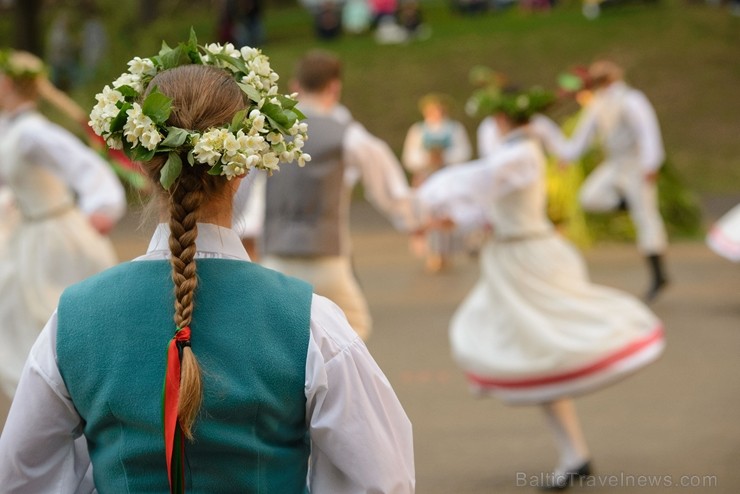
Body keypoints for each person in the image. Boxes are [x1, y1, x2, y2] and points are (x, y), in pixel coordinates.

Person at [0, 35, 415, 493]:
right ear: (242, 167)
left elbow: (21, 476)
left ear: (142, 161)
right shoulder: (312, 324)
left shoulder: (73, 321)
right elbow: (381, 480)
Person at [416, 86, 665, 490]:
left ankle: (576, 449)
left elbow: (479, 179)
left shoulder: (519, 155)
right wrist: (449, 219)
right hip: (512, 259)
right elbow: (487, 204)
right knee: (525, 345)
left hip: (529, 260)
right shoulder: (515, 154)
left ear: (501, 120)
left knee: (545, 341)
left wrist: (426, 197)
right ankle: (575, 454)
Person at [260, 49, 421, 341]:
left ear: (295, 86)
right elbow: (385, 181)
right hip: (325, 257)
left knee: (283, 339)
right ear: (334, 87)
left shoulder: (269, 132)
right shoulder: (345, 133)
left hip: (275, 259)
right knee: (354, 332)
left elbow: (248, 191)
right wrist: (413, 220)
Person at [0, 49, 126, 400]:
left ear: (8, 83)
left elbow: (86, 166)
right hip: (26, 231)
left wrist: (101, 205)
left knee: (50, 313)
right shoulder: (10, 129)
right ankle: (40, 397)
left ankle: (66, 394)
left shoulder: (32, 133)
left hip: (55, 233)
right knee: (18, 314)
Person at [531, 59, 670, 302]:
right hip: (615, 163)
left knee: (646, 219)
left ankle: (658, 275)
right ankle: (624, 203)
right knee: (590, 197)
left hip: (636, 163)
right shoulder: (598, 104)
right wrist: (566, 153)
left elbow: (647, 130)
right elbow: (582, 138)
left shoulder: (631, 99)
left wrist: (650, 163)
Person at [402, 92, 471, 272]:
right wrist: (427, 159)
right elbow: (410, 155)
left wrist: (444, 157)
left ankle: (446, 253)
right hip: (426, 177)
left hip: (448, 175)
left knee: (447, 213)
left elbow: (463, 151)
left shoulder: (454, 129)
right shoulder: (418, 130)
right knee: (427, 214)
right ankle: (432, 253)